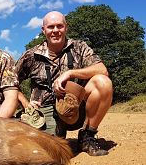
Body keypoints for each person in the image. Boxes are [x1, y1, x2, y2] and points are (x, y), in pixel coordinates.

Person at [15, 11, 113, 156]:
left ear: (66, 27)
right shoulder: (31, 55)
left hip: (76, 107)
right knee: (48, 150)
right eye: (51, 27)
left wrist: (70, 73)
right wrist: (25, 103)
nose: (55, 31)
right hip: (45, 109)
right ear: (43, 30)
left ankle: (88, 136)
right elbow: (10, 83)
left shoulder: (79, 47)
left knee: (103, 82)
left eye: (59, 26)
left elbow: (102, 70)